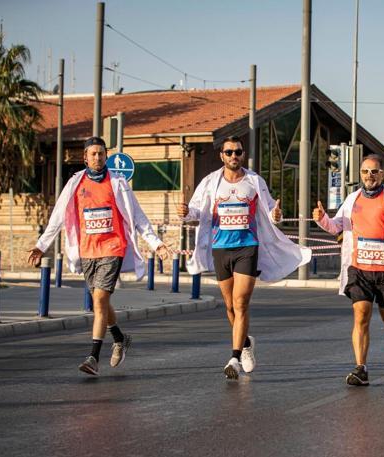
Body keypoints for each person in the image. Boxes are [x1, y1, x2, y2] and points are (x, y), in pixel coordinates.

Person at [28, 136, 171, 376]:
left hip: (112, 248)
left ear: (107, 156)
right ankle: (120, 338)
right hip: (87, 250)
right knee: (99, 302)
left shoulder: (118, 182)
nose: (97, 157)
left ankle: (93, 357)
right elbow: (58, 216)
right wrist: (42, 245)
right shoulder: (75, 183)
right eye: (93, 154)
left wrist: (157, 244)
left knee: (100, 300)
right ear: (85, 157)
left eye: (101, 153)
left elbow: (137, 216)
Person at [177, 136, 311, 380]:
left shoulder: (254, 181)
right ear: (222, 156)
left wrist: (276, 214)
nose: (233, 156)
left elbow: (270, 210)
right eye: (228, 152)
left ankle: (235, 357)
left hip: (247, 247)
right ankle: (247, 342)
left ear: (242, 154)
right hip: (220, 248)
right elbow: (197, 210)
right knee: (229, 306)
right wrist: (186, 213)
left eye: (237, 152)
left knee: (240, 303)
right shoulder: (210, 182)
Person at [313, 154, 384, 386]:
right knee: (361, 316)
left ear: (382, 174)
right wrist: (322, 219)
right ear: (360, 174)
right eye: (365, 172)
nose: (369, 176)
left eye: (374, 171)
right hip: (359, 268)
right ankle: (361, 368)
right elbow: (337, 226)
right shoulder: (353, 199)